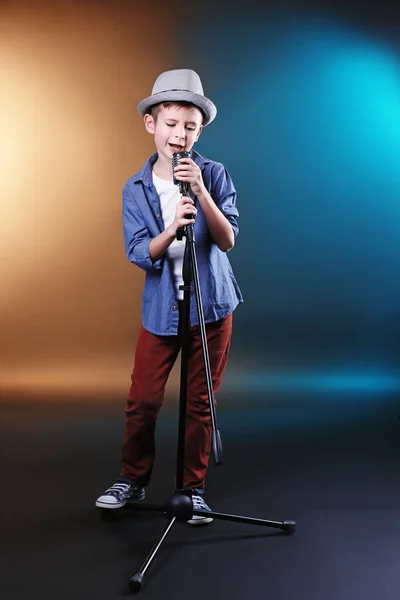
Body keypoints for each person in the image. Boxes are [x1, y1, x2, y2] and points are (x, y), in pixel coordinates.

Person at [96, 69, 243, 525]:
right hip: (162, 309)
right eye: (172, 124)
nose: (179, 135)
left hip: (211, 309)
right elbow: (139, 253)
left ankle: (191, 489)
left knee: (201, 402)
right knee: (142, 399)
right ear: (151, 124)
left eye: (190, 127)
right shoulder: (135, 188)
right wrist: (170, 229)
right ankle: (132, 478)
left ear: (200, 131)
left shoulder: (214, 174)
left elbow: (228, 239)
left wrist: (200, 192)